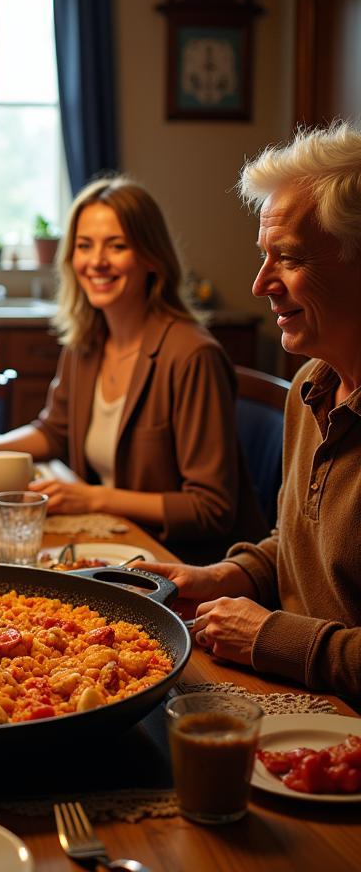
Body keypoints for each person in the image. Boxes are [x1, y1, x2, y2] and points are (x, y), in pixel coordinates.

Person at [138, 123, 361, 702]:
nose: (261, 283)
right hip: (293, 695)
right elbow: (298, 545)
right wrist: (225, 575)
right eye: (264, 257)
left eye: (287, 258)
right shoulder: (311, 386)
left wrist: (272, 635)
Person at [0, 176, 265, 555]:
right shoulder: (87, 342)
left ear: (150, 257)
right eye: (84, 246)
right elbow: (54, 431)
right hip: (117, 541)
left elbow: (211, 509)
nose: (96, 262)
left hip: (185, 562)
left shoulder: (192, 355)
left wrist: (93, 498)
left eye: (117, 246)